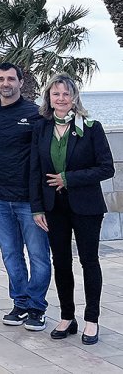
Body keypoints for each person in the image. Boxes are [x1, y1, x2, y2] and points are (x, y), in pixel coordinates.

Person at [30, 73, 114, 345]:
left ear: (75, 97)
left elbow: (106, 168)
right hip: (54, 207)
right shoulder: (41, 128)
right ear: (49, 98)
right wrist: (36, 207)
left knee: (89, 261)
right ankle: (67, 316)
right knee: (61, 262)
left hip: (86, 205)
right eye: (56, 94)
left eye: (66, 94)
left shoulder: (91, 127)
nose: (61, 98)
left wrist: (68, 178)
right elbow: (35, 170)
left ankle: (92, 319)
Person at [0, 63, 50, 331]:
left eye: (11, 78)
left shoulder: (36, 114)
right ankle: (20, 303)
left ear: (21, 81)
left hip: (30, 201)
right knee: (10, 255)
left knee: (39, 256)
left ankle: (37, 307)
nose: (5, 83)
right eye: (0, 79)